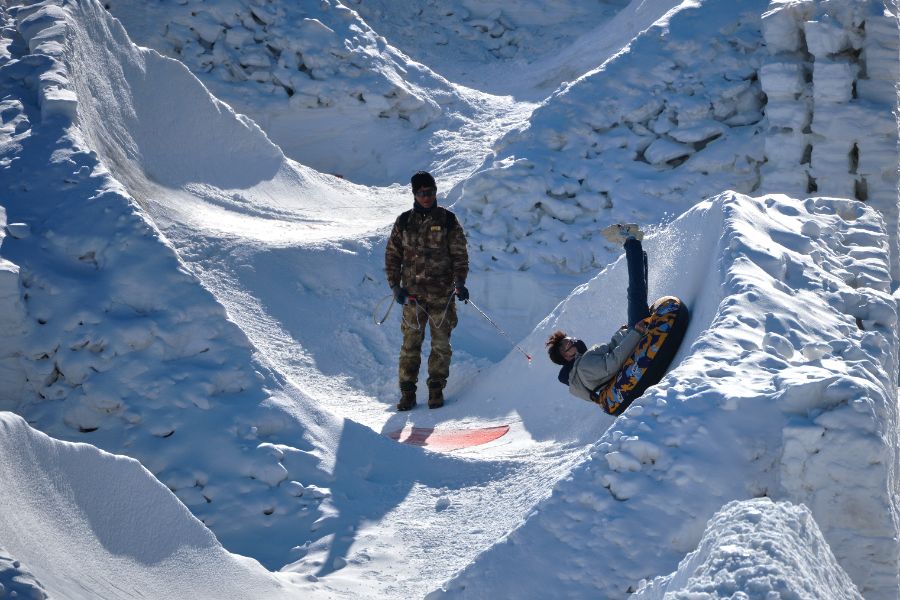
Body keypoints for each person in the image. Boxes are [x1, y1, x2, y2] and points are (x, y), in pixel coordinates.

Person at [385, 171, 469, 411]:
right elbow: (392, 256)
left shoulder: (448, 220)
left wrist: (460, 283)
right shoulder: (403, 222)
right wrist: (395, 287)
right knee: (410, 346)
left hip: (442, 297)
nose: (427, 197)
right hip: (412, 298)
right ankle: (408, 393)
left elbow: (460, 256)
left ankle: (435, 390)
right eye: (422, 193)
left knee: (441, 346)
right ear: (414, 194)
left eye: (431, 192)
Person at [546, 224, 652, 404]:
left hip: (633, 336)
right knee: (635, 293)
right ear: (566, 357)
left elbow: (612, 350)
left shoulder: (583, 365)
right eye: (566, 345)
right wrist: (635, 332)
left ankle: (637, 250)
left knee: (638, 294)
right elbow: (614, 362)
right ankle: (630, 240)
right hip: (636, 337)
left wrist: (623, 333)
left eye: (568, 339)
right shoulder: (584, 366)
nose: (572, 341)